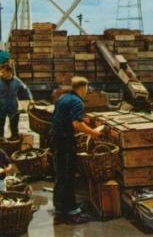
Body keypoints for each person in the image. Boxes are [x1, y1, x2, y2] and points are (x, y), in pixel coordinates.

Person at [49, 77, 101, 224]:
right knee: (67, 175)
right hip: (64, 140)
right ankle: (69, 211)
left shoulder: (64, 97)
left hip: (55, 138)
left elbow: (66, 117)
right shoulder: (77, 101)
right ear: (82, 87)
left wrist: (88, 121)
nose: (87, 91)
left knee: (60, 174)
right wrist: (93, 132)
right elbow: (76, 124)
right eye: (87, 88)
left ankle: (60, 207)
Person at [0, 64, 33, 141]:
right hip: (1, 107)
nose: (2, 74)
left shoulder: (17, 81)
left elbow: (26, 89)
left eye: (3, 72)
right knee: (0, 125)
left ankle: (14, 138)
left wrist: (31, 99)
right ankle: (0, 138)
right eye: (1, 72)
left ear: (9, 72)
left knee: (14, 124)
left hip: (13, 106)